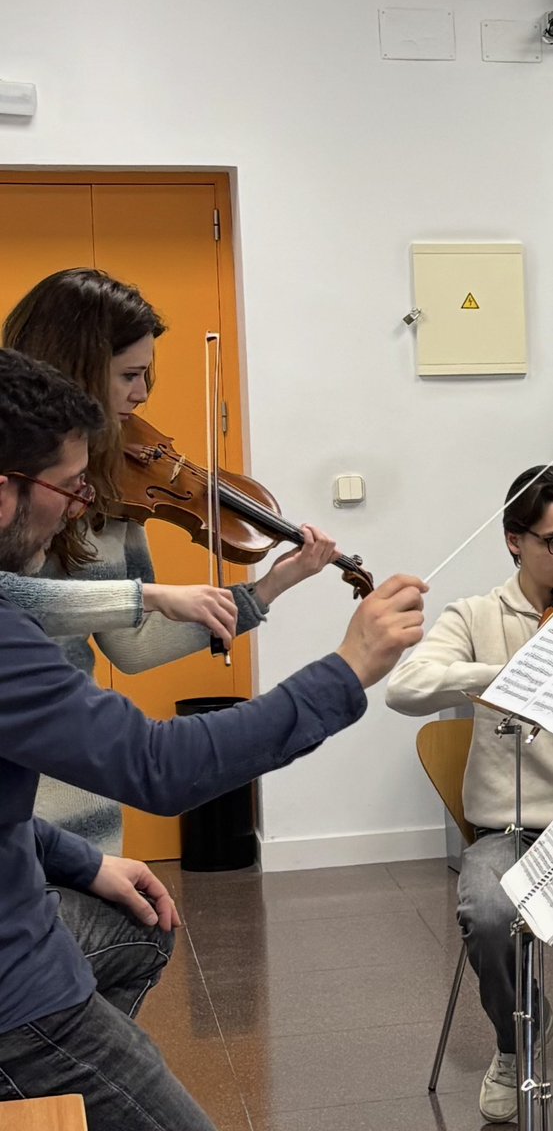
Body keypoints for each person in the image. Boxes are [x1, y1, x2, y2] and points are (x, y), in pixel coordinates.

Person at [0, 346, 426, 1129]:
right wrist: (348, 667)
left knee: (135, 931)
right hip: (12, 997)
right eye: (68, 486)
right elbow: (160, 765)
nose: (76, 505)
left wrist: (81, 859)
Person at [2, 267, 341, 853]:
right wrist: (147, 595)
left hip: (80, 792)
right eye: (129, 375)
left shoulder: (115, 488)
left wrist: (263, 592)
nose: (142, 395)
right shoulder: (17, 491)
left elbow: (132, 649)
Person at [386, 465, 553, 1124]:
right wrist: (507, 673)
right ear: (515, 539)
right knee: (487, 910)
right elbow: (405, 688)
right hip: (511, 831)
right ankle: (518, 1044)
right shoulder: (478, 616)